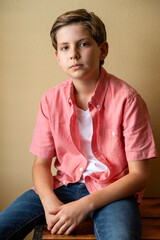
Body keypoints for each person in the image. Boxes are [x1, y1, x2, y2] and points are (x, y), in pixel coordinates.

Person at [0, 9, 157, 240]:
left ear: (103, 49)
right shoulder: (50, 100)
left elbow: (139, 176)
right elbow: (41, 164)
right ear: (58, 56)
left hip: (112, 191)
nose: (73, 54)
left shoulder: (128, 100)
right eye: (65, 47)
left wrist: (83, 206)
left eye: (83, 44)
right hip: (62, 185)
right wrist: (49, 202)